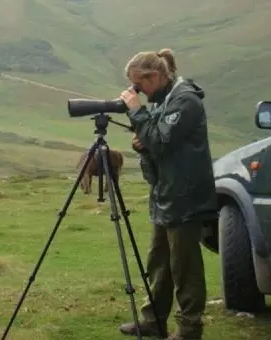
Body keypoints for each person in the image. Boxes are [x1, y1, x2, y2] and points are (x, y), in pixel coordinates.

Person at [116, 48, 218, 340]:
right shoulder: (164, 101)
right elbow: (155, 148)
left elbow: (161, 141)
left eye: (140, 84)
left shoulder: (184, 101)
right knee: (158, 260)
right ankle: (154, 320)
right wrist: (142, 146)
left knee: (184, 265)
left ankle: (189, 329)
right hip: (167, 194)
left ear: (156, 76)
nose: (138, 91)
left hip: (185, 197)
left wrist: (137, 112)